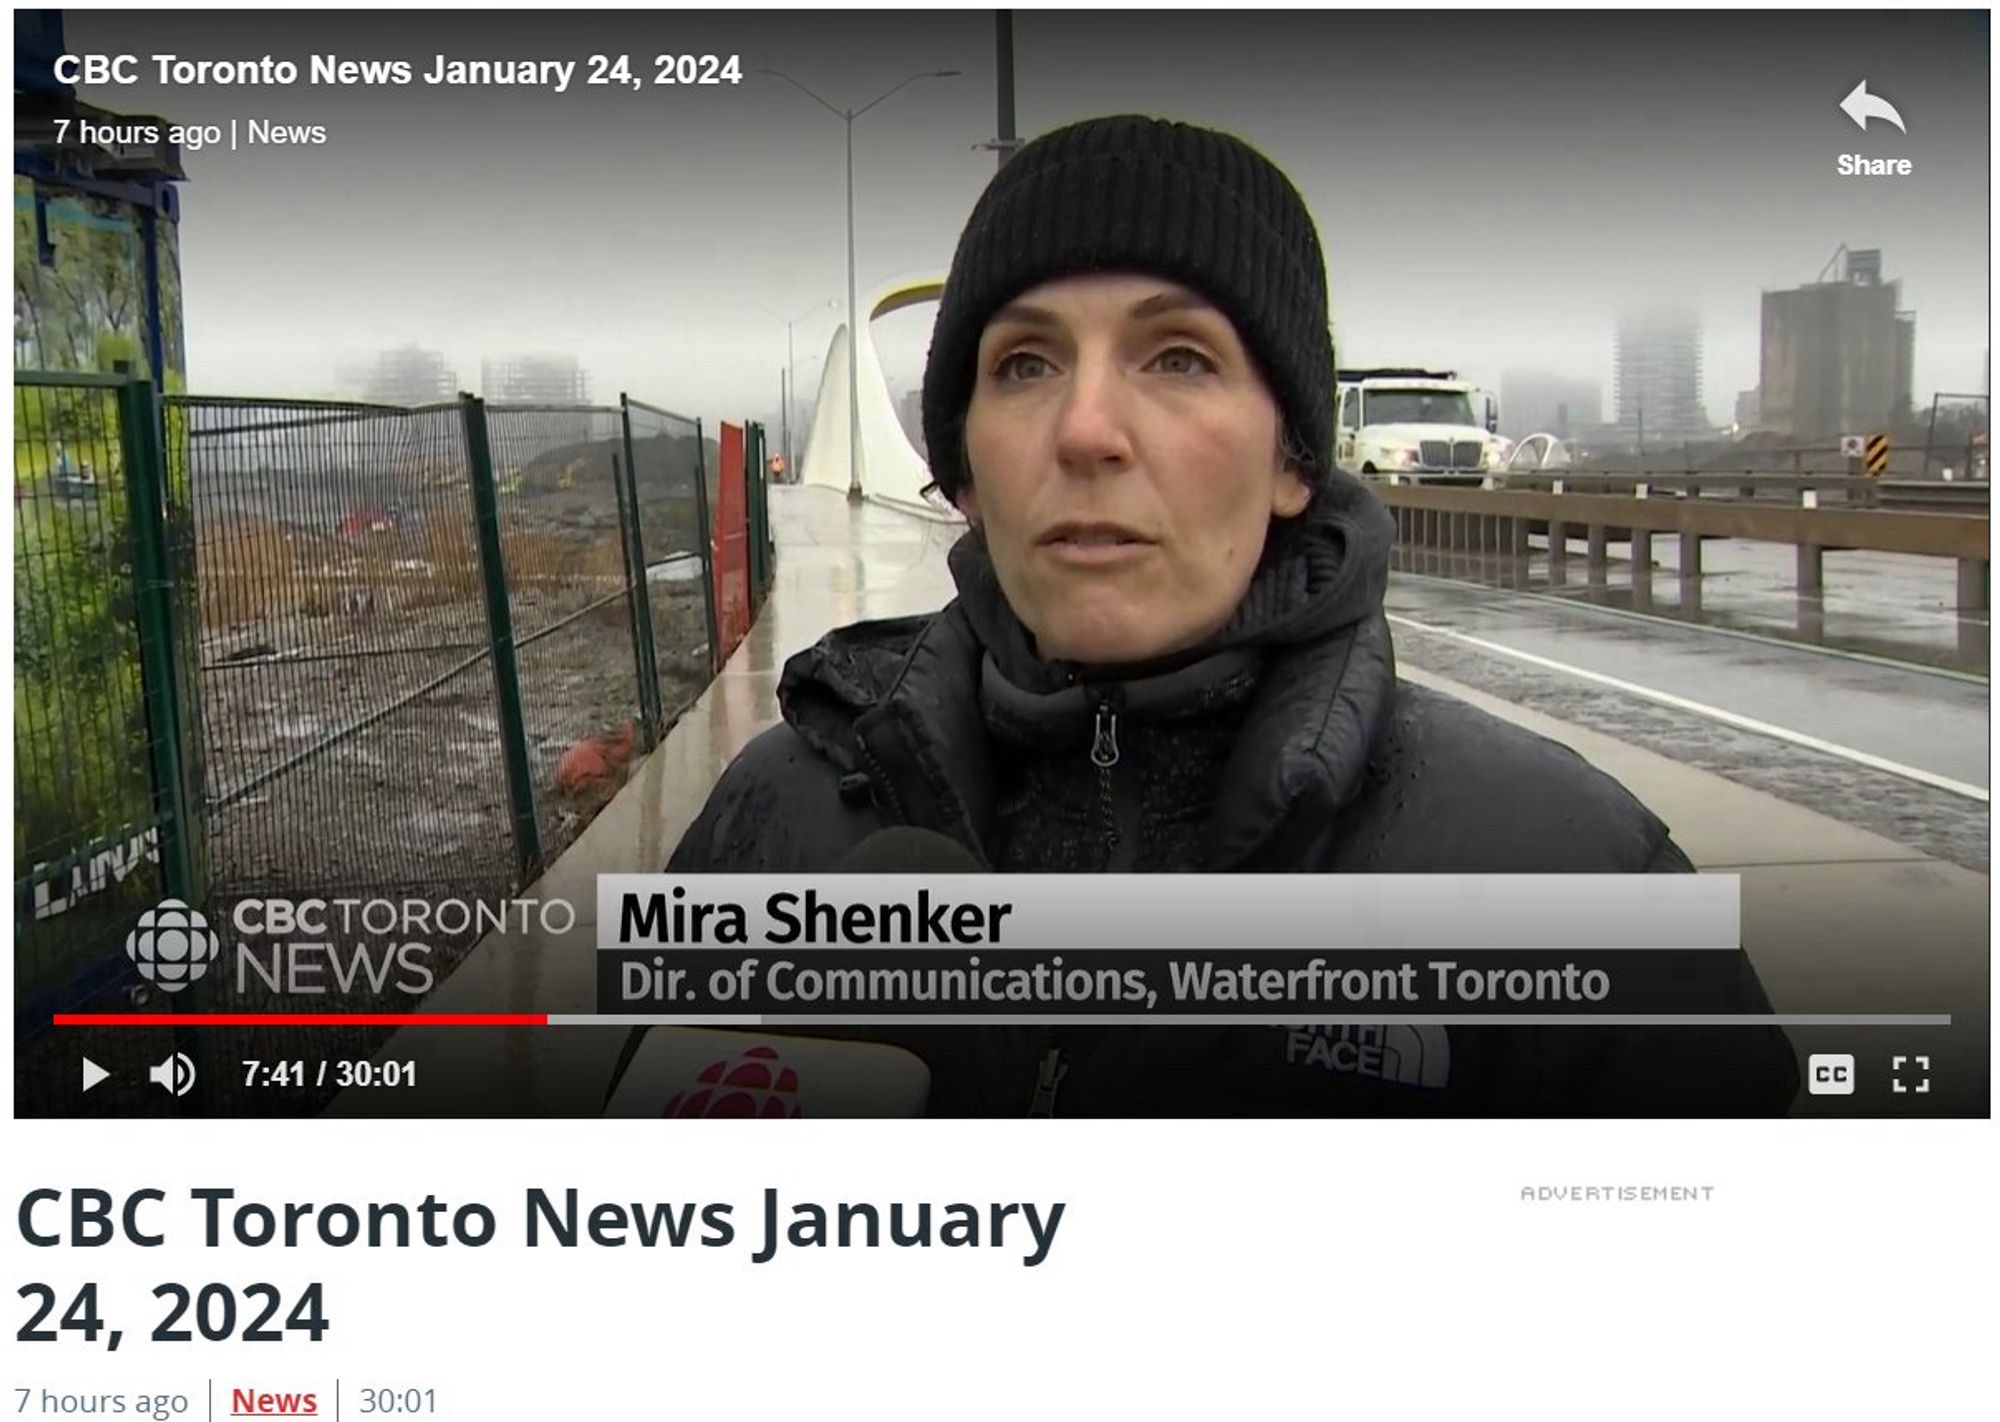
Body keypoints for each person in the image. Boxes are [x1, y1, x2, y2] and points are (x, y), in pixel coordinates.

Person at [666, 114, 1798, 1116]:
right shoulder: (769, 823)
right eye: (1022, 366)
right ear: (963, 471)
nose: (1086, 430)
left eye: (1177, 358)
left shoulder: (1571, 880)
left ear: (1290, 462)